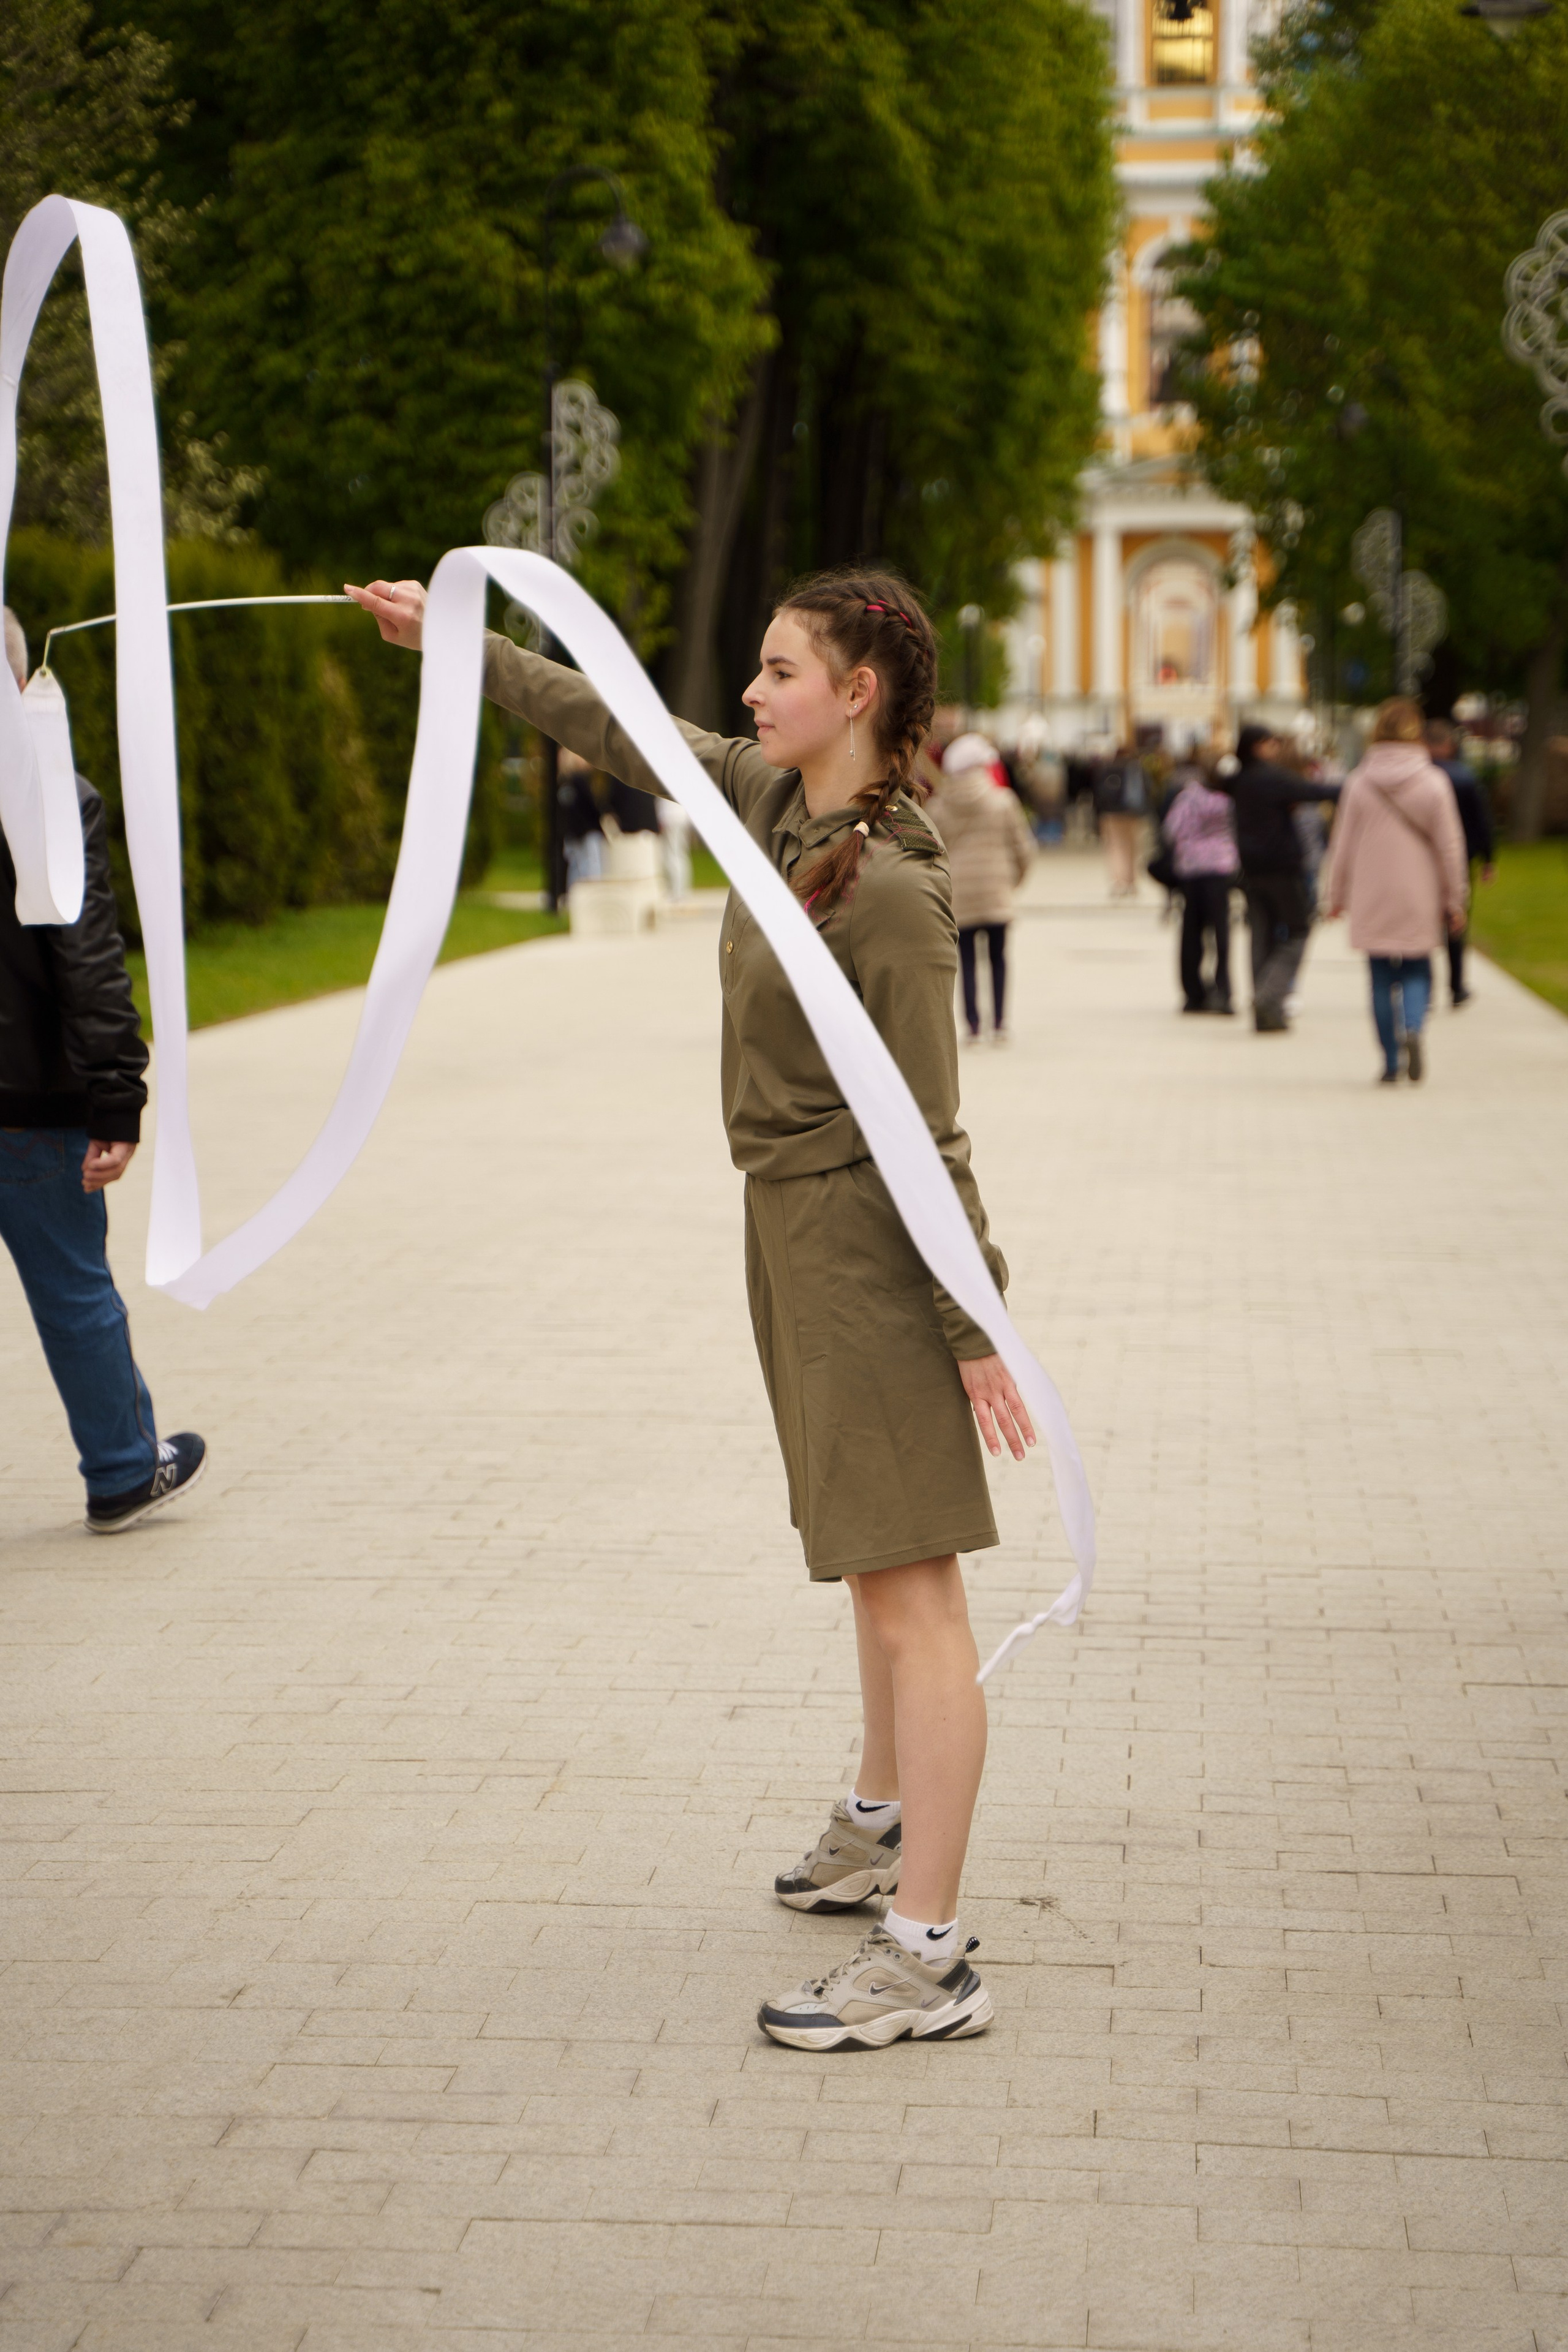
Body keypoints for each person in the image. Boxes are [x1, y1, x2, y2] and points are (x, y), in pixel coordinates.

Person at [347, 564, 1028, 2053]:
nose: (749, 691)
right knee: (867, 1561)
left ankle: (928, 1954)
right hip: (788, 1228)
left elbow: (928, 1130)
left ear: (853, 694)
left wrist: (971, 1327)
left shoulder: (901, 892)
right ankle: (876, 1820)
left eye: (778, 669)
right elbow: (618, 726)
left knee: (916, 1597)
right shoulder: (770, 806)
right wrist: (453, 643)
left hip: (862, 1245)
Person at [0, 608, 206, 1532]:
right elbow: (89, 956)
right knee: (75, 1288)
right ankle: (124, 1468)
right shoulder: (49, 794)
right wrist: (117, 1092)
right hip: (32, 1099)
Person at [1322, 698, 1469, 1085]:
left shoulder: (1358, 782)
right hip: (1420, 892)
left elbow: (1343, 845)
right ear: (1416, 734)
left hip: (1372, 893)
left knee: (1380, 978)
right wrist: (1456, 899)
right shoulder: (1434, 782)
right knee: (1419, 967)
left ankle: (1390, 1062)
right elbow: (1451, 847)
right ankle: (1415, 1026)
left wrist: (1334, 896)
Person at [1227, 722, 1340, 1033]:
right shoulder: (1271, 778)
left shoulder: (1240, 779)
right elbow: (1316, 792)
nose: (1275, 749)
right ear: (1259, 746)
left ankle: (1265, 1011)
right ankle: (1268, 997)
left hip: (1250, 869)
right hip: (1281, 868)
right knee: (1298, 932)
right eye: (1270, 743)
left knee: (1260, 935)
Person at [927, 734, 1036, 1045]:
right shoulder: (1002, 801)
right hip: (997, 893)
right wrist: (1013, 881)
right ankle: (1000, 1023)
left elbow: (934, 852)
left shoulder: (939, 806)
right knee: (999, 958)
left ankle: (973, 1026)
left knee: (968, 961)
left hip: (959, 895)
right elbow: (1023, 848)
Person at [1423, 718, 1494, 1006]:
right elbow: (1481, 821)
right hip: (1460, 857)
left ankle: (1422, 986)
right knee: (1456, 920)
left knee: (1425, 923)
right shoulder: (1464, 776)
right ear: (1449, 745)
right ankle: (1456, 986)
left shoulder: (1420, 777)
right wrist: (1488, 857)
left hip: (1424, 858)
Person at [1161, 758, 1238, 1013]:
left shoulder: (1189, 797)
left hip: (1191, 870)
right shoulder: (1230, 801)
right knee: (1221, 934)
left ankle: (1193, 993)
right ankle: (1223, 991)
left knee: (1191, 933)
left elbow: (1171, 829)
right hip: (1222, 869)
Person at [1093, 744, 1148, 897]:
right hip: (1132, 812)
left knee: (1114, 847)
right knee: (1132, 848)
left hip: (1110, 813)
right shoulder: (1136, 769)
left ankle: (1117, 882)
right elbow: (1147, 790)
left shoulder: (1106, 768)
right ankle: (1131, 881)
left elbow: (1097, 793)